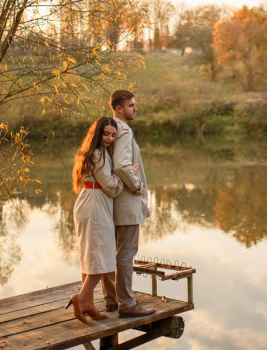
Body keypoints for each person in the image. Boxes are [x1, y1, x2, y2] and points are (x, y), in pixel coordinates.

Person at [66, 117, 138, 323]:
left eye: (113, 135)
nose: (109, 138)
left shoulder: (93, 151)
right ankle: (80, 299)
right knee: (103, 258)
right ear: (97, 133)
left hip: (91, 201)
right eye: (106, 134)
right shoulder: (98, 154)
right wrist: (127, 177)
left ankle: (88, 303)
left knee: (92, 255)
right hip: (96, 205)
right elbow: (111, 186)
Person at [102, 89, 156, 318]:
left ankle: (111, 300)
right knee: (126, 253)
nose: (136, 108)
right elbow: (122, 165)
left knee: (111, 251)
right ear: (119, 108)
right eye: (132, 105)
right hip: (127, 202)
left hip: (113, 202)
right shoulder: (122, 129)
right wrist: (137, 186)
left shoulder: (107, 128)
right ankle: (127, 304)